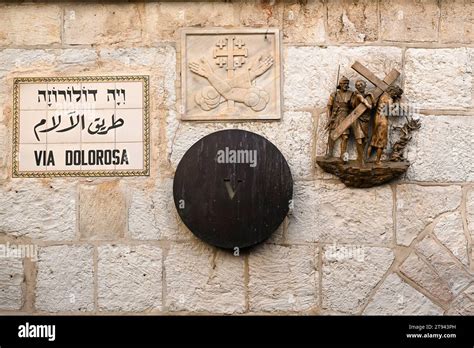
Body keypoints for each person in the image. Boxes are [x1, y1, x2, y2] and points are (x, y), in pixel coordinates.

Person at [367, 85, 403, 164]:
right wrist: (397, 105)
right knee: (381, 141)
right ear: (392, 92)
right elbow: (391, 113)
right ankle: (378, 161)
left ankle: (365, 159)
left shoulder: (383, 96)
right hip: (383, 121)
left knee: (374, 139)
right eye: (395, 94)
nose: (395, 96)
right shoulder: (389, 99)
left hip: (377, 118)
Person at [326, 76, 353, 160]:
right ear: (340, 84)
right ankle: (330, 153)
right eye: (344, 83)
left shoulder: (351, 94)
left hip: (345, 117)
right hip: (336, 116)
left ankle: (343, 154)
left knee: (345, 137)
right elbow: (329, 107)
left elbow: (353, 105)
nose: (346, 85)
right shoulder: (334, 94)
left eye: (347, 83)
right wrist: (329, 118)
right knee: (332, 135)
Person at [350, 79, 374, 165]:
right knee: (359, 139)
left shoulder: (368, 95)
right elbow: (355, 102)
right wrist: (367, 104)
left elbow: (373, 106)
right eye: (357, 85)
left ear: (365, 85)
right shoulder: (356, 95)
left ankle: (361, 157)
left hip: (366, 120)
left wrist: (371, 96)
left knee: (365, 140)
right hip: (356, 119)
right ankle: (361, 160)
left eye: (361, 84)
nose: (359, 86)